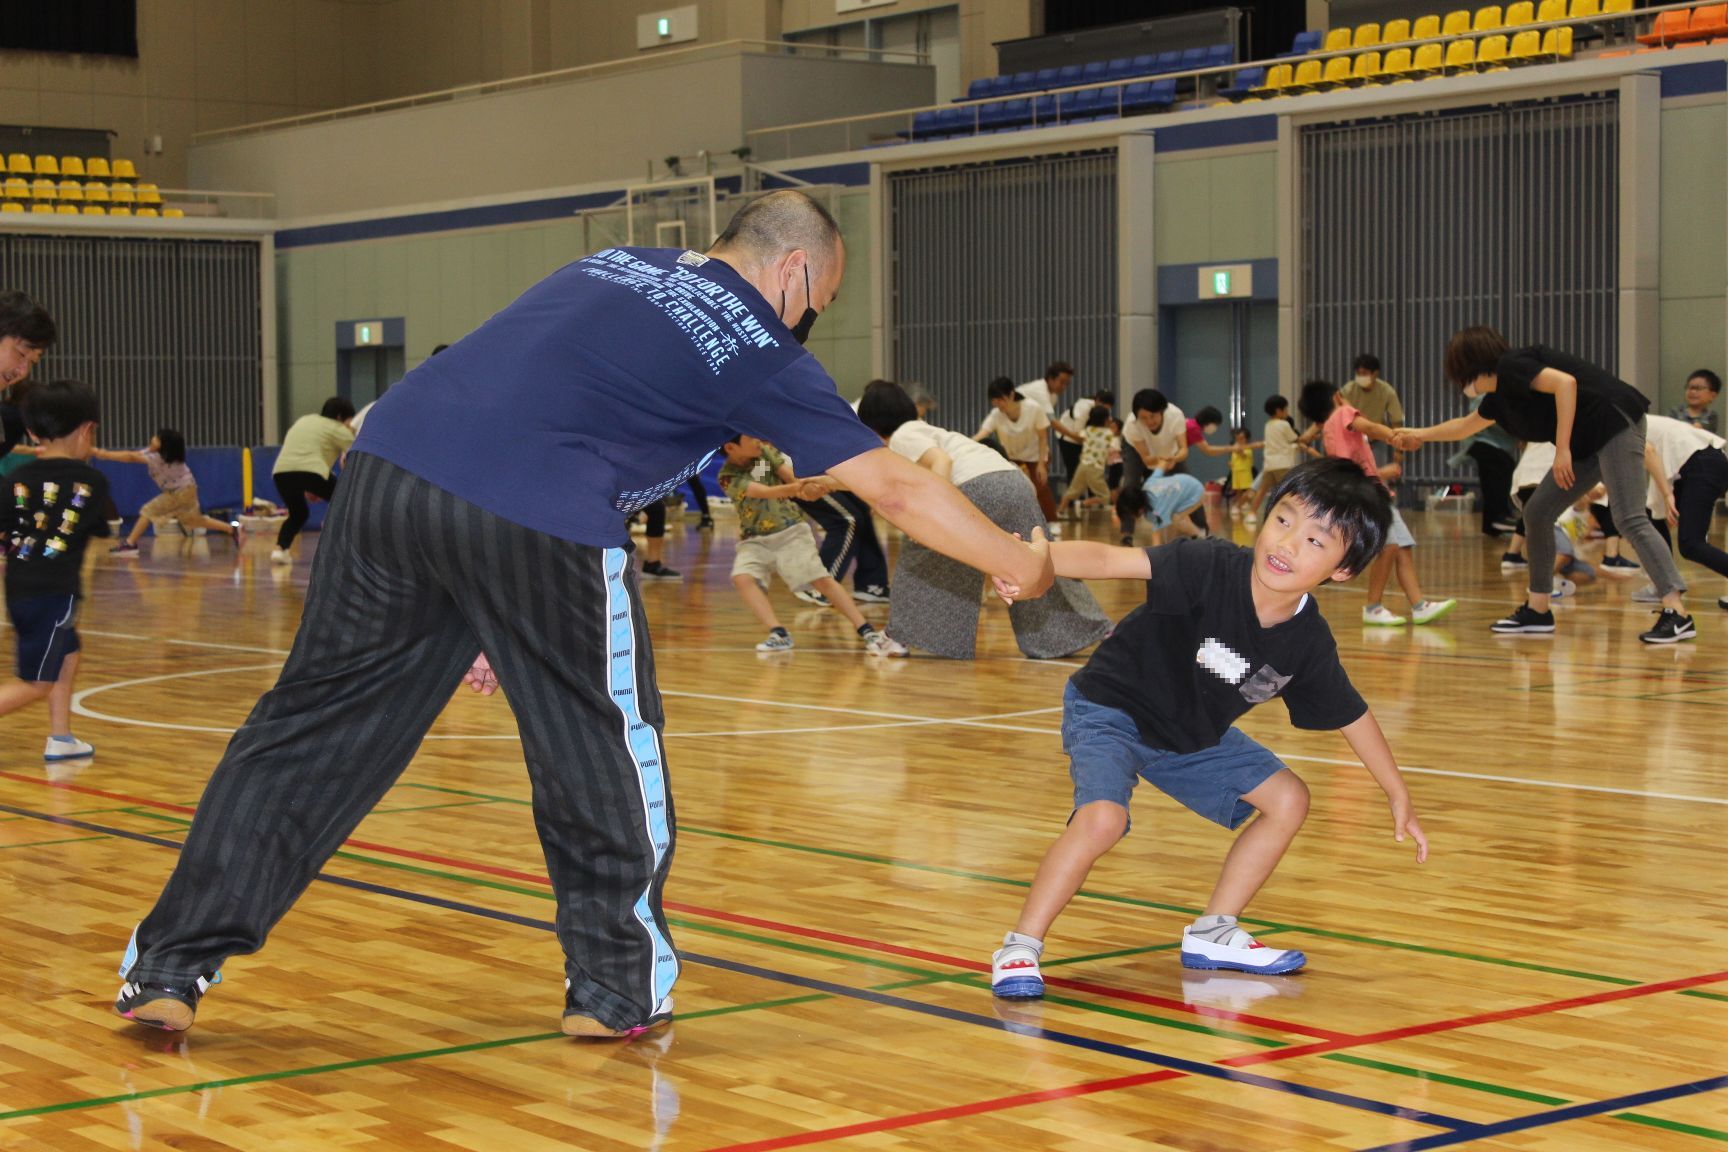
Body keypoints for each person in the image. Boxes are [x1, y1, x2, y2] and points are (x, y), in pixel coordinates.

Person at [113, 189, 1054, 1038]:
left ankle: (167, 965)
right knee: (601, 742)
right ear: (795, 270)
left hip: (389, 475)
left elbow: (524, 388)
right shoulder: (751, 334)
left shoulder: (613, 263)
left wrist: (472, 602)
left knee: (306, 731)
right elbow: (890, 486)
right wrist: (1021, 563)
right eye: (822, 301)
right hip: (543, 510)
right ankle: (615, 988)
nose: (812, 321)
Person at [988, 458, 1428, 996]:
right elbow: (1109, 557)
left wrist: (1396, 792)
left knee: (1288, 799)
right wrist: (1034, 563)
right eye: (1285, 521)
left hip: (1189, 734)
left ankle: (1214, 931)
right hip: (1112, 705)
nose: (1288, 545)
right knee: (1102, 820)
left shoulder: (1307, 640)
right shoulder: (1210, 564)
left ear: (1343, 570)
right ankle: (1020, 946)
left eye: (1316, 541)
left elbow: (1350, 713)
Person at [1397, 328, 1694, 644]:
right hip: (1586, 442)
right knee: (1536, 512)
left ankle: (1677, 613)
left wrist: (1562, 449)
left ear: (1470, 365)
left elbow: (1565, 384)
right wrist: (1419, 434)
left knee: (1629, 517)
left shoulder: (1513, 365)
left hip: (1614, 422)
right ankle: (1538, 610)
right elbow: (1464, 427)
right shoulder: (1500, 400)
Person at [859, 379, 1106, 660]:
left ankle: (899, 638)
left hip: (977, 486)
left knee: (919, 556)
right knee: (1034, 562)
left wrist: (931, 513)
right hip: (1013, 481)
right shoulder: (925, 429)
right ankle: (1085, 629)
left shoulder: (904, 434)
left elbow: (942, 462)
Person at [1, 379, 110, 763]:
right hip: (55, 594)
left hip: (18, 592)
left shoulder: (14, 478)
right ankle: (60, 737)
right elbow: (100, 528)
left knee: (68, 652)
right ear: (87, 430)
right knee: (35, 683)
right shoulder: (92, 481)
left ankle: (61, 738)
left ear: (32, 432)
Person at [717, 434, 900, 654]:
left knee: (821, 580)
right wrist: (800, 489)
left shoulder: (765, 453)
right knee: (743, 577)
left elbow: (790, 478)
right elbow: (764, 492)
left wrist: (809, 488)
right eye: (750, 438)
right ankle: (778, 633)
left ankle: (866, 630)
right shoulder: (727, 477)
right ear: (730, 447)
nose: (759, 440)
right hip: (754, 540)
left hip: (791, 532)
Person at [1299, 380, 1455, 627]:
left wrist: (1381, 474)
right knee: (1389, 546)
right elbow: (1369, 427)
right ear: (1338, 397)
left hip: (1370, 491)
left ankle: (1419, 605)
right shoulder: (1343, 413)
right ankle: (1373, 606)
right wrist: (1395, 437)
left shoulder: (1328, 429)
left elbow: (1351, 467)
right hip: (1369, 495)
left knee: (1402, 549)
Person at [1637, 414, 1728, 610]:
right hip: (1699, 463)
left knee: (1690, 544)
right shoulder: (1634, 418)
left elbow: (1648, 451)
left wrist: (1667, 494)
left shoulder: (1616, 422)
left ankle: (1664, 583)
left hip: (1701, 464)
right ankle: (1664, 583)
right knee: (1653, 516)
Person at [98, 430, 242, 553]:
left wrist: (103, 454)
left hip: (179, 492)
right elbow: (134, 454)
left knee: (148, 511)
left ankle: (130, 544)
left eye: (157, 438)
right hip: (188, 489)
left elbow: (130, 457)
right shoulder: (159, 455)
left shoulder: (159, 458)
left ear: (164, 446)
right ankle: (232, 529)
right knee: (193, 520)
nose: (153, 438)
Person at [270, 396, 356, 563]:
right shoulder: (337, 428)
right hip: (312, 471)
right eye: (348, 421)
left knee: (298, 513)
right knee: (346, 503)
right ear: (340, 417)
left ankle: (280, 549)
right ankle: (341, 544)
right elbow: (357, 450)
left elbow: (305, 451)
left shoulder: (304, 420)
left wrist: (311, 486)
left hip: (281, 472)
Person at [975, 377, 1061, 534]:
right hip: (1012, 456)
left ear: (1012, 395)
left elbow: (1043, 437)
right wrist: (964, 443)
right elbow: (982, 434)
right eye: (994, 401)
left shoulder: (1033, 408)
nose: (998, 404)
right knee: (1012, 488)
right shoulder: (996, 414)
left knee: (1040, 486)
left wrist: (1042, 464)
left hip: (1036, 454)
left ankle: (1052, 521)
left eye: (1001, 399)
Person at [1119, 389, 1187, 545]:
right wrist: (1161, 459)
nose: (1149, 421)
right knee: (1130, 483)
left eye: (1153, 416)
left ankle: (1201, 529)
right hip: (1137, 450)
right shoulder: (1132, 424)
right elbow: (1148, 461)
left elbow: (1184, 449)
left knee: (1187, 481)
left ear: (1162, 411)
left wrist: (1174, 459)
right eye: (1143, 417)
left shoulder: (1175, 415)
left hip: (1171, 453)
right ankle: (1127, 533)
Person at [1452, 395, 1519, 537]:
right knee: (1502, 468)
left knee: (1491, 480)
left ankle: (1491, 525)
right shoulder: (1490, 395)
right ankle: (1499, 517)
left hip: (1489, 444)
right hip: (1484, 443)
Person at [1252, 395, 1310, 516]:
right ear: (1279, 410)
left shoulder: (1268, 425)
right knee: (1289, 491)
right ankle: (1292, 514)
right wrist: (1309, 436)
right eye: (1286, 409)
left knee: (1262, 490)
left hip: (1269, 464)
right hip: (1283, 464)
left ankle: (1251, 514)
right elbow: (1295, 438)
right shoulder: (1284, 424)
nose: (1287, 412)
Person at [1117, 469, 1206, 545]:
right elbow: (1159, 469)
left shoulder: (1158, 509)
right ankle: (1196, 536)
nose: (1131, 518)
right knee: (1174, 517)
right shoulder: (1147, 485)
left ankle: (1201, 536)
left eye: (1130, 515)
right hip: (1188, 482)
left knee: (1176, 518)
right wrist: (1164, 461)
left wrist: (1155, 558)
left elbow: (1156, 535)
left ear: (1139, 509)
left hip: (1195, 493)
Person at [1055, 406, 1113, 519]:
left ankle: (1060, 511)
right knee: (1105, 497)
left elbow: (1078, 436)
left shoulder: (1087, 430)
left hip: (1083, 465)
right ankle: (1083, 504)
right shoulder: (1109, 433)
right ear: (1106, 419)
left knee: (1072, 490)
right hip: (1095, 468)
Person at [1225, 426, 1261, 523]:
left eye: (1241, 438)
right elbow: (1234, 459)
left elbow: (1245, 455)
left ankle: (1247, 504)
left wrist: (1240, 450)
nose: (1239, 441)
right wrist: (1231, 464)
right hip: (1236, 472)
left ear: (1246, 439)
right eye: (1237, 439)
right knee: (1238, 490)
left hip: (1245, 472)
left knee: (1247, 489)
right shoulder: (1234, 449)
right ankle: (1239, 504)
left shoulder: (1248, 448)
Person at [1670, 369, 1721, 434]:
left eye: (1698, 388)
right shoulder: (1675, 411)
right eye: (1690, 387)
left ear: (1712, 396)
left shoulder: (1711, 416)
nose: (1693, 391)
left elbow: (1701, 430)